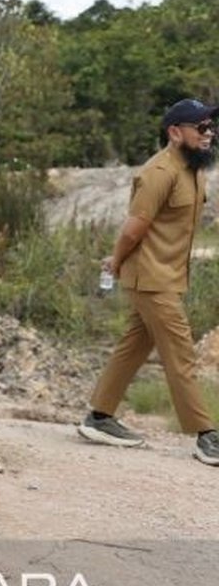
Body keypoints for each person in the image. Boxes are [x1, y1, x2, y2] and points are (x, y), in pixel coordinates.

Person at [77, 98, 219, 466]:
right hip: (151, 279)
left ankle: (99, 417)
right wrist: (117, 261)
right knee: (180, 351)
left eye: (210, 126)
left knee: (134, 346)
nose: (209, 134)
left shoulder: (194, 169)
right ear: (176, 132)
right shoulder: (159, 172)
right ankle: (206, 435)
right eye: (201, 128)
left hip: (168, 277)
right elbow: (134, 228)